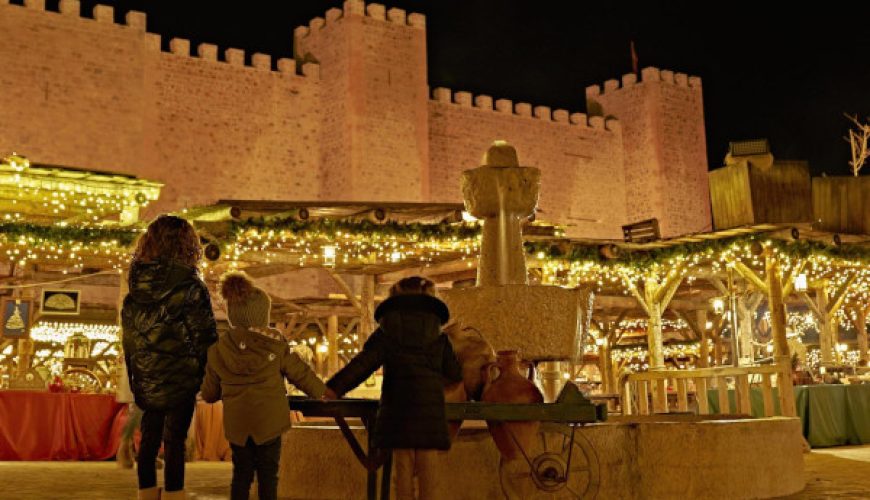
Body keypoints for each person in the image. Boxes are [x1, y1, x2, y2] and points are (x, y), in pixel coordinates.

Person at [325, 276, 463, 500]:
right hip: (429, 416)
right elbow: (454, 374)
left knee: (403, 474)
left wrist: (333, 389)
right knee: (429, 475)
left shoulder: (387, 332)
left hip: (398, 413)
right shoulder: (439, 337)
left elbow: (363, 364)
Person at [200, 272, 326, 500]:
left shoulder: (218, 349)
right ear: (261, 315)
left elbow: (209, 393)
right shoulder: (276, 344)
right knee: (269, 475)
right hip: (269, 422)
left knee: (241, 475)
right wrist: (322, 392)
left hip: (238, 424)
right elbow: (300, 373)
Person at [121, 215, 218, 500]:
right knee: (174, 440)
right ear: (188, 245)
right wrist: (207, 373)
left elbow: (130, 341)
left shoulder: (135, 290)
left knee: (149, 440)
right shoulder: (191, 288)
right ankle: (175, 494)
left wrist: (137, 375)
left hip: (146, 376)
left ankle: (146, 494)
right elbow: (205, 337)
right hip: (181, 378)